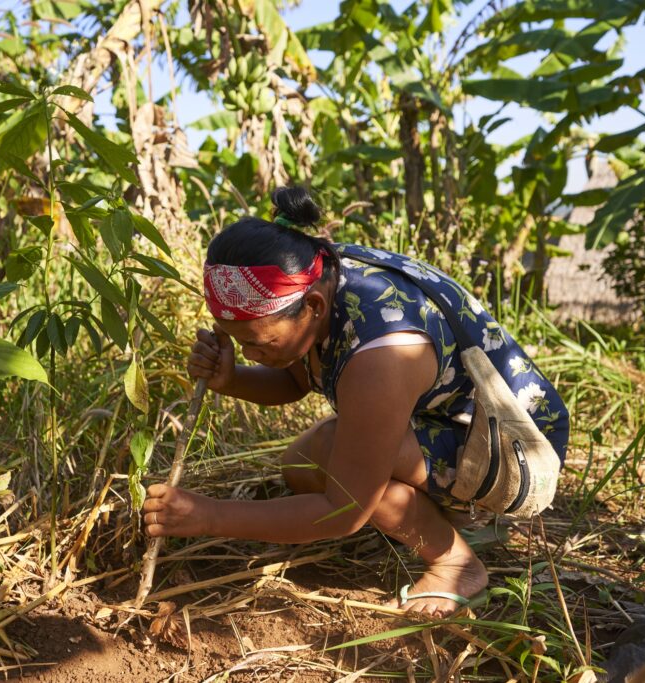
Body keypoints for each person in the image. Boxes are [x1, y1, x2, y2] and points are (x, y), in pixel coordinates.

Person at [141, 187, 569, 617]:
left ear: (311, 306)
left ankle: (456, 563)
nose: (252, 354)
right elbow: (296, 379)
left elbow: (342, 511)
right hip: (452, 425)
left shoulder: (384, 353)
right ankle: (440, 519)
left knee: (334, 463)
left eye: (258, 343)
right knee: (303, 464)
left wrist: (210, 515)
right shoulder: (316, 275)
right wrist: (232, 379)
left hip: (514, 450)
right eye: (238, 343)